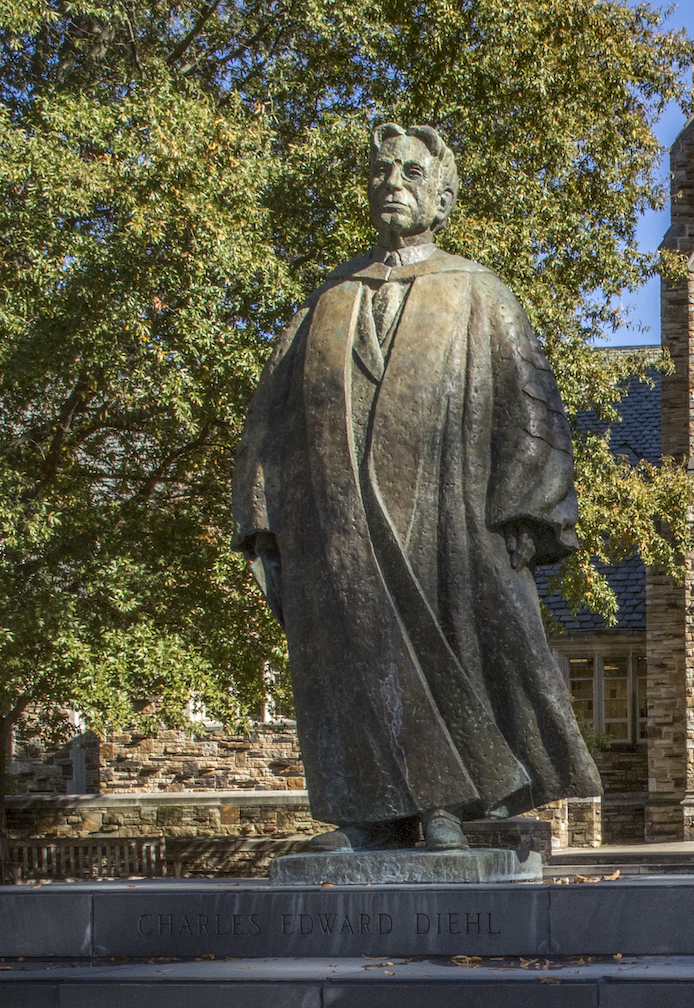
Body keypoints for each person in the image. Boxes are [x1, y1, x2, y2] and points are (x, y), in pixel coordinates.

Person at [232, 123, 598, 852]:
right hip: (339, 526)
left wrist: (527, 510)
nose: (392, 182)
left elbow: (530, 407)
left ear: (442, 193)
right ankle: (373, 809)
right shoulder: (324, 303)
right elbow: (268, 423)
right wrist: (264, 526)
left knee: (450, 646)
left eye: (409, 171)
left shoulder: (479, 293)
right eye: (381, 172)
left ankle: (451, 805)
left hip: (448, 523)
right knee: (355, 654)